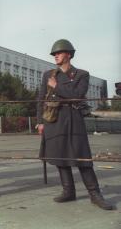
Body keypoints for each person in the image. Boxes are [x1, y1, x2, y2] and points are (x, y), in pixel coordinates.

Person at [37, 39, 113, 210]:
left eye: (59, 53)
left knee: (82, 158)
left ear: (68, 55)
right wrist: (39, 122)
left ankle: (95, 195)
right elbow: (40, 99)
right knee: (60, 157)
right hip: (53, 120)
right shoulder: (48, 75)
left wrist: (56, 87)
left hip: (73, 119)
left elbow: (78, 95)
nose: (55, 56)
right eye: (54, 54)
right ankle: (68, 191)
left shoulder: (81, 74)